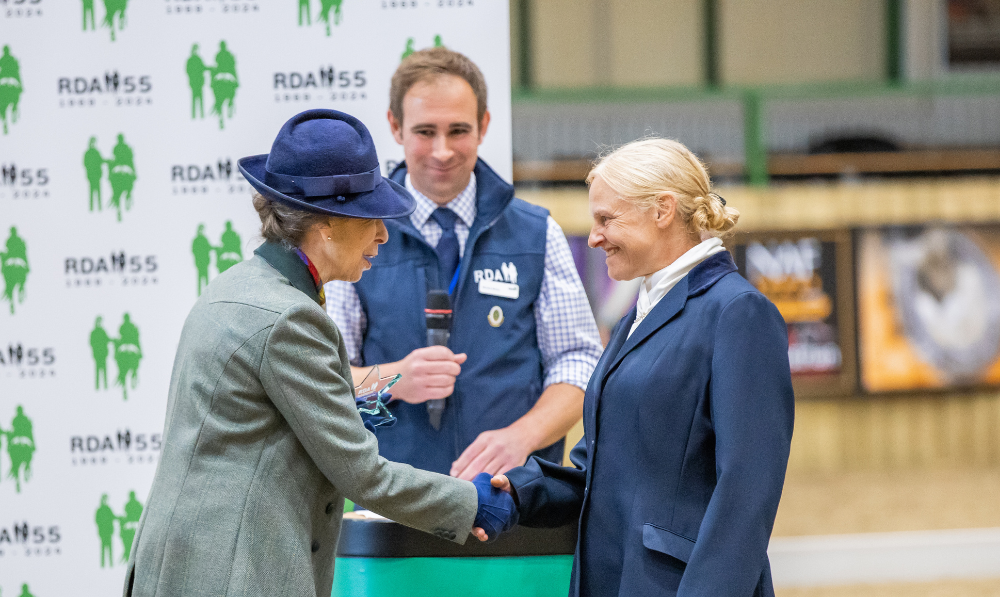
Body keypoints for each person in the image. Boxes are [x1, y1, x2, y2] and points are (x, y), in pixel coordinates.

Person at [123, 109, 512, 597]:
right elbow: (364, 475)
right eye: (372, 218)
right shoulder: (291, 318)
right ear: (327, 223)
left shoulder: (240, 288)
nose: (383, 236)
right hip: (231, 576)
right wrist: (474, 502)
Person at [491, 138, 795, 596]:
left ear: (662, 210)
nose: (594, 237)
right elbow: (600, 471)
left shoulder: (738, 313)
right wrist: (517, 492)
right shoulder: (641, 312)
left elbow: (746, 494)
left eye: (606, 219)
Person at [326, 48, 602, 480]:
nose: (442, 151)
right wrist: (394, 379)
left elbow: (578, 362)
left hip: (514, 499)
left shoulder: (534, 233)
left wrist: (522, 437)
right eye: (424, 131)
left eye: (458, 130)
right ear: (395, 127)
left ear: (484, 126)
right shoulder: (357, 235)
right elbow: (327, 379)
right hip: (393, 501)